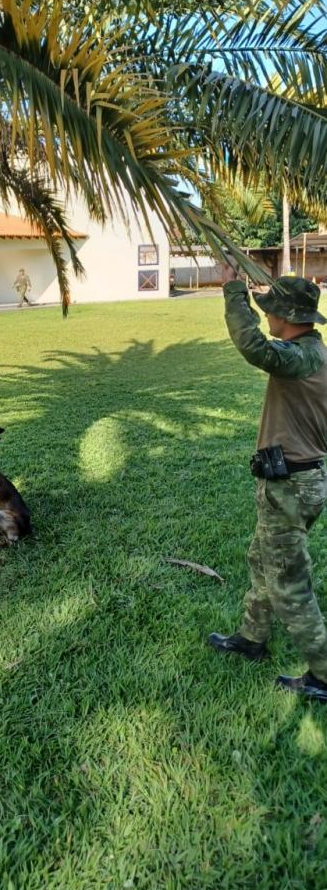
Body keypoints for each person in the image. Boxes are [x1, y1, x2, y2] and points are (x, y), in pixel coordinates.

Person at [209, 264, 327, 702]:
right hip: (295, 481)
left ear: (288, 316)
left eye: (272, 310)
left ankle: (324, 674)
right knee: (262, 561)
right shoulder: (311, 353)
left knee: (289, 584)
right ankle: (251, 638)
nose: (269, 316)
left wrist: (235, 292)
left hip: (291, 486)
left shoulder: (301, 357)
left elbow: (255, 347)